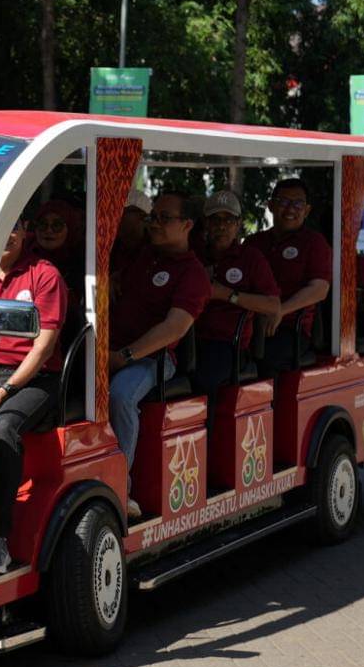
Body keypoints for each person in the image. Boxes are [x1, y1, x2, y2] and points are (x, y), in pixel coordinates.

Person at [109, 192, 211, 519]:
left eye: (164, 218)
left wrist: (125, 355)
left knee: (121, 395)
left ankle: (119, 489)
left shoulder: (193, 274)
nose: (154, 223)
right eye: (153, 216)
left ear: (187, 225)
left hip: (152, 360)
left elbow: (175, 327)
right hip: (111, 351)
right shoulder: (142, 256)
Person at [0, 217, 68, 572]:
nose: (7, 233)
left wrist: (2, 392)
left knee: (4, 426)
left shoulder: (44, 274)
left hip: (36, 378)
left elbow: (43, 348)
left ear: (24, 231)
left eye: (15, 225)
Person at [191, 191, 281, 424]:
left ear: (239, 224)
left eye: (228, 220)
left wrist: (227, 295)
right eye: (215, 220)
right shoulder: (193, 255)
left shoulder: (250, 258)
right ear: (205, 224)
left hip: (228, 345)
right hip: (186, 337)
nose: (222, 227)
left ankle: (206, 448)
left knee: (203, 378)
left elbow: (272, 305)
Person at [245, 178, 332, 376]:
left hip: (291, 327)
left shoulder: (314, 243)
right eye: (283, 202)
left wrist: (280, 311)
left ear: (307, 209)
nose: (291, 209)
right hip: (248, 323)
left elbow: (319, 289)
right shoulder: (253, 242)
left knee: (267, 359)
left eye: (298, 203)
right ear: (270, 205)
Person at [32, 198, 84, 308]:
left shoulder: (82, 263)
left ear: (70, 228)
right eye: (43, 224)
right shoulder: (22, 259)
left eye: (57, 225)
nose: (49, 231)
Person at [111, 190, 151, 278]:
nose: (113, 217)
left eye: (120, 211)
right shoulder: (112, 247)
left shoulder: (154, 253)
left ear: (142, 215)